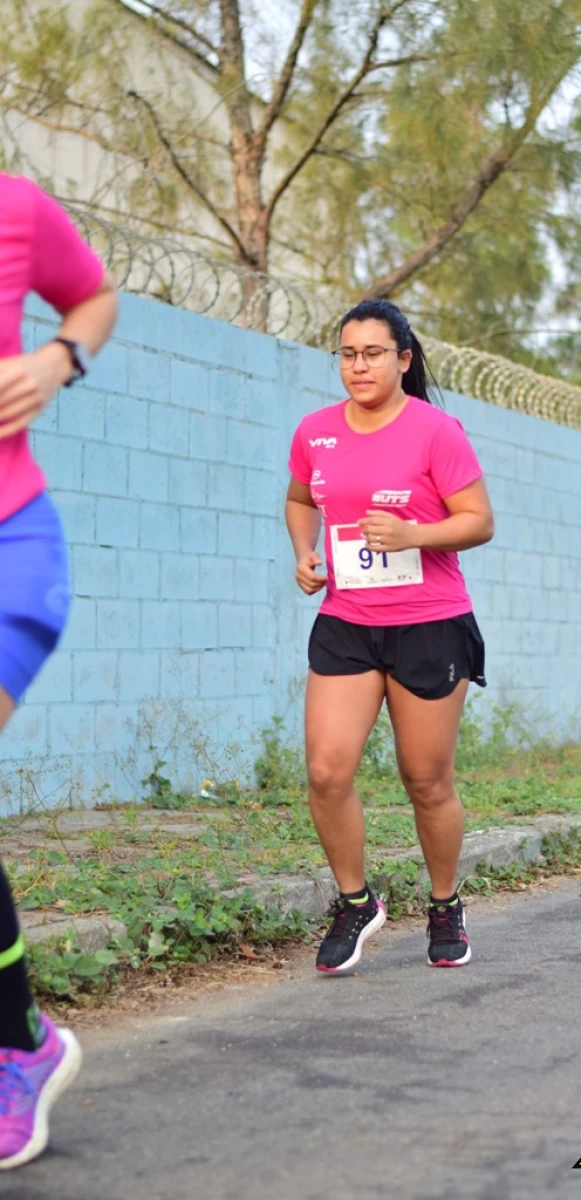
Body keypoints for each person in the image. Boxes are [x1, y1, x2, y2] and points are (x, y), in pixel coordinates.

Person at [286, 299, 494, 974]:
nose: (359, 366)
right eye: (347, 354)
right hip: (348, 622)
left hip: (430, 624)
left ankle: (445, 904)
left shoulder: (436, 432)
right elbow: (300, 499)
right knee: (326, 771)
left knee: (426, 779)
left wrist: (413, 535)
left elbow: (479, 520)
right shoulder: (315, 432)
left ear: (403, 359)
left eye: (373, 353)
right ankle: (356, 902)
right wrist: (305, 552)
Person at [0, 175, 118, 1168]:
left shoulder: (15, 208)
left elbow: (94, 295)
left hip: (8, 548)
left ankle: (17, 1048)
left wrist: (57, 355)